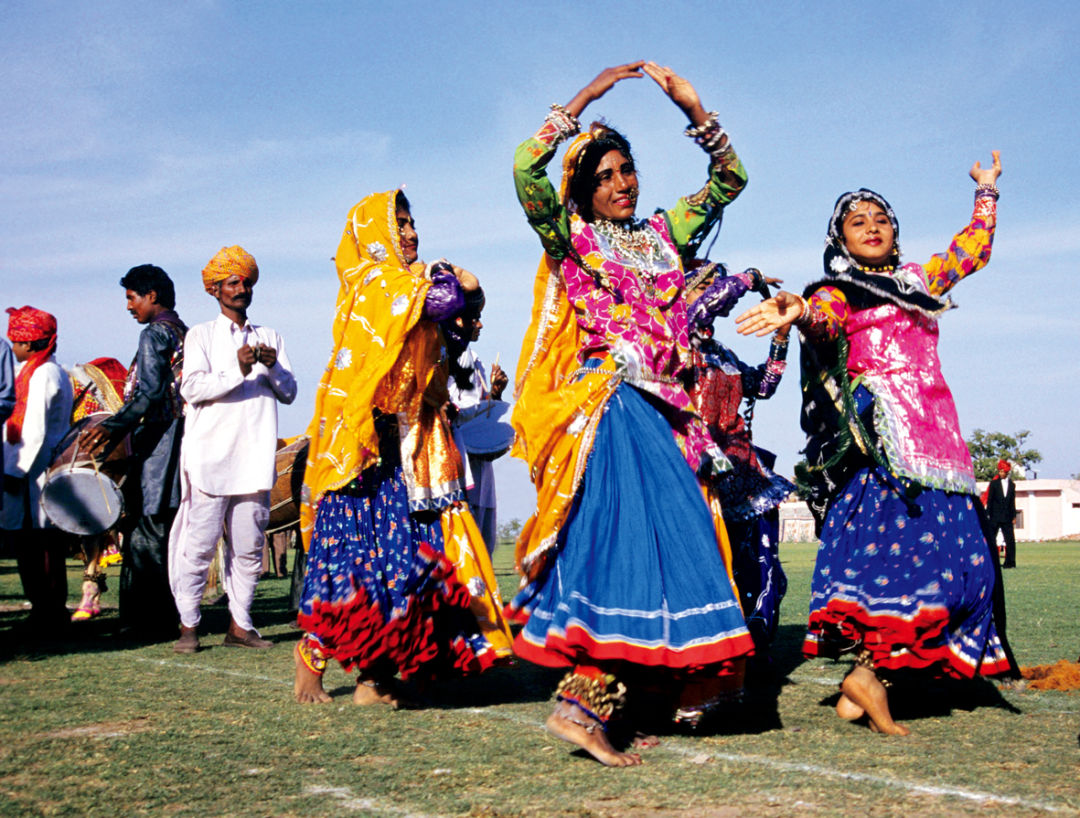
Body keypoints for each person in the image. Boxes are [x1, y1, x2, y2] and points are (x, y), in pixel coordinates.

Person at [510, 62, 754, 766]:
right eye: (607, 175)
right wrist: (581, 102)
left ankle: (621, 704)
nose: (622, 184)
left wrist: (698, 111)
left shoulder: (663, 233)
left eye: (628, 171)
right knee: (630, 544)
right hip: (613, 399)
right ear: (585, 188)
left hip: (666, 406)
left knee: (675, 541)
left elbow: (730, 182)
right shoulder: (573, 237)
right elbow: (527, 170)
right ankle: (582, 705)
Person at [735, 152, 1015, 735]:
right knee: (906, 564)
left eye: (880, 218)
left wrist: (985, 190)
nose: (871, 225)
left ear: (894, 233)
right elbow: (822, 319)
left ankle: (872, 685)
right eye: (856, 220)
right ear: (839, 238)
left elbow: (973, 250)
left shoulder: (917, 281)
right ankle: (868, 671)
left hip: (939, 439)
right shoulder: (839, 290)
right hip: (886, 448)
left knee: (968, 567)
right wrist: (798, 310)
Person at [293, 190, 513, 707]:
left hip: (408, 454)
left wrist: (466, 290)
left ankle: (374, 676)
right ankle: (310, 663)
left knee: (403, 565)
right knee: (349, 563)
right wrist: (459, 281)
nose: (411, 233)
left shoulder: (410, 285)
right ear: (375, 235)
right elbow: (448, 301)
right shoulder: (372, 283)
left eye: (413, 223)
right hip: (360, 454)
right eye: (400, 225)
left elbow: (458, 329)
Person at [168, 246, 297, 653]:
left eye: (244, 282)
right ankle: (189, 625)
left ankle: (240, 626)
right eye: (232, 282)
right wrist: (237, 370)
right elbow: (190, 388)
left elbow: (290, 392)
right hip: (210, 458)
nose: (240, 288)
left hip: (255, 458)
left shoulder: (270, 336)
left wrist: (272, 366)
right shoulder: (201, 335)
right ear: (216, 290)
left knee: (249, 547)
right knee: (200, 545)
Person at [684, 261, 794, 663]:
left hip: (744, 471)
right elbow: (699, 312)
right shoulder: (678, 338)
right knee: (711, 563)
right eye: (710, 284)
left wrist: (781, 337)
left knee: (761, 563)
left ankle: (756, 639)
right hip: (698, 472)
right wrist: (749, 279)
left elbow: (763, 386)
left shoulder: (721, 353)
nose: (719, 292)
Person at [80, 265, 187, 636]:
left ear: (151, 296)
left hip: (161, 439)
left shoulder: (154, 333)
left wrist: (111, 426)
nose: (129, 307)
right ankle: (164, 616)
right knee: (165, 528)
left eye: (131, 298)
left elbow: (150, 393)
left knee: (147, 527)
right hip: (181, 437)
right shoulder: (182, 331)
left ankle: (147, 621)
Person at [2, 306, 75, 631]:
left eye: (16, 342)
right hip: (37, 469)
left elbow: (35, 429)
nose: (12, 348)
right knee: (39, 542)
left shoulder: (43, 373)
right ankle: (45, 611)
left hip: (35, 470)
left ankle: (47, 612)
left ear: (30, 344)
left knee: (39, 543)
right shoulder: (44, 370)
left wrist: (13, 472)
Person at [443, 285, 510, 554]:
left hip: (481, 467)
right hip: (455, 463)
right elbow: (450, 408)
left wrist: (495, 394)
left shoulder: (475, 360)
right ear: (459, 321)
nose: (480, 325)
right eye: (475, 319)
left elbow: (479, 411)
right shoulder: (441, 356)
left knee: (483, 546)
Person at [984, 459, 1017, 568]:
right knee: (991, 539)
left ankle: (1010, 562)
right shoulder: (994, 484)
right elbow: (990, 500)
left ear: (1007, 472)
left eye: (1003, 471)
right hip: (995, 516)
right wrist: (988, 514)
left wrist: (1014, 516)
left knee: (1010, 540)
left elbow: (1012, 501)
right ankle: (990, 561)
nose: (1001, 473)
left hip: (1007, 517)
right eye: (1000, 471)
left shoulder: (1012, 485)